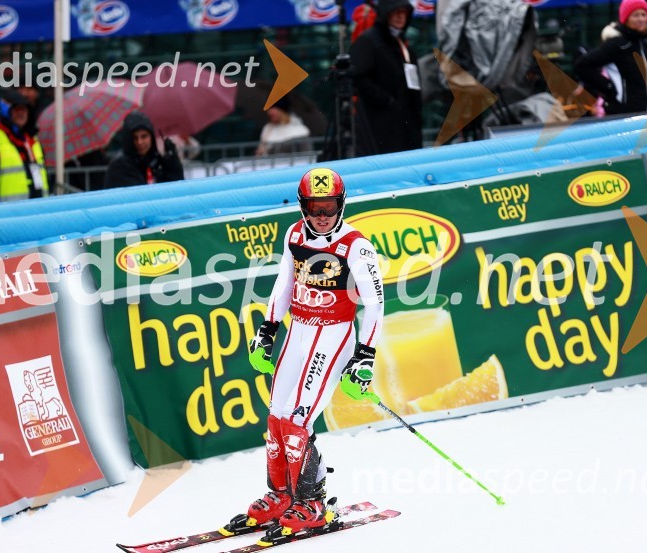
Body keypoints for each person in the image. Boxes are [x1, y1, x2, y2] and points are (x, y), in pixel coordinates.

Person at [228, 168, 384, 538]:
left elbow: (375, 305)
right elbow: (284, 282)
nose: (322, 216)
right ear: (304, 207)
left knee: (299, 420)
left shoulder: (356, 246)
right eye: (315, 207)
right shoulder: (295, 234)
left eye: (329, 207)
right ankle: (281, 494)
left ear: (341, 204)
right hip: (298, 331)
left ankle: (313, 501)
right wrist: (268, 329)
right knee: (276, 417)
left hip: (332, 336)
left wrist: (365, 355)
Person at [573, 0, 647, 115]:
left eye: (644, 15)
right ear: (625, 18)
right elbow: (582, 65)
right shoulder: (617, 44)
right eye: (635, 15)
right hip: (621, 114)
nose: (641, 19)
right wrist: (608, 88)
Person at [350, 0, 422, 156]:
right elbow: (358, 77)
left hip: (406, 125)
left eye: (404, 12)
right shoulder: (369, 40)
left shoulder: (402, 43)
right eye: (395, 12)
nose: (400, 17)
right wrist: (387, 101)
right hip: (380, 126)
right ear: (385, 14)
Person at [0, 90, 49, 203]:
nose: (21, 113)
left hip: (39, 212)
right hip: (8, 216)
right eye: (17, 109)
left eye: (24, 109)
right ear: (6, 112)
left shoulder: (33, 140)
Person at [104, 112, 184, 188]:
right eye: (134, 138)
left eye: (144, 136)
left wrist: (172, 163)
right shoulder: (120, 165)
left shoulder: (155, 160)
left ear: (151, 137)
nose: (140, 142)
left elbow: (176, 188)